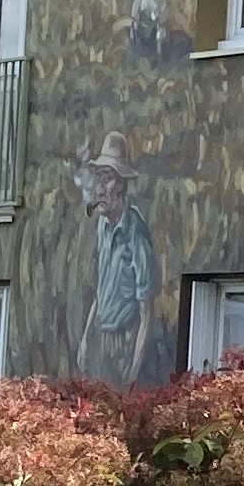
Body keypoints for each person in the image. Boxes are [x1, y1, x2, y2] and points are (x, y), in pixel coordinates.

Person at [71, 134, 158, 381]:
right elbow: (102, 290)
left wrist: (133, 373)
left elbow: (146, 311)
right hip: (101, 338)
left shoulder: (136, 232)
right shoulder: (103, 226)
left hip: (124, 343)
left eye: (107, 178)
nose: (99, 187)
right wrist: (86, 339)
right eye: (98, 176)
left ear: (120, 184)